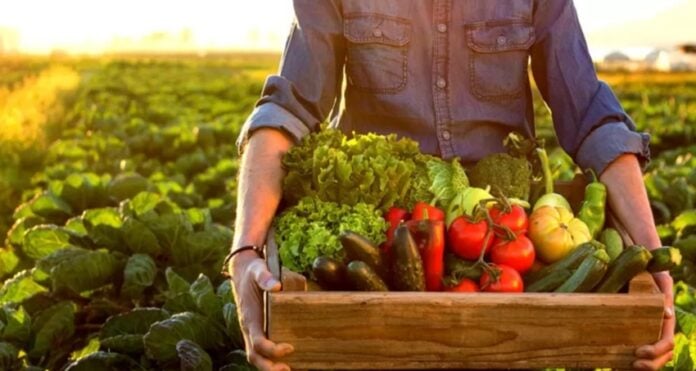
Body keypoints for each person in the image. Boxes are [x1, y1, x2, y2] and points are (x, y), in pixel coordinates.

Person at [227, 1, 675, 370]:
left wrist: (652, 258)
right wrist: (245, 251)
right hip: (378, 237)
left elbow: (593, 118)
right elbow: (286, 111)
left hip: (503, 234)